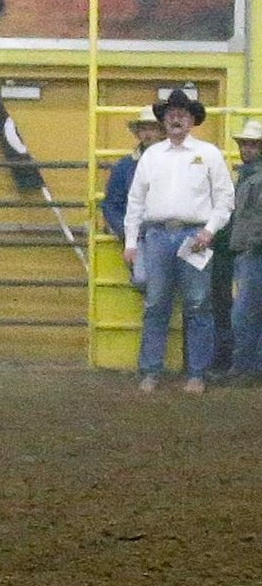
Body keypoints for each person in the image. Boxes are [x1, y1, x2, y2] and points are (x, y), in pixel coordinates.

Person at [122, 89, 236, 393]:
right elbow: (135, 201)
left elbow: (225, 200)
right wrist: (131, 241)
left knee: (197, 305)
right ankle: (152, 370)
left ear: (191, 120)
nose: (176, 117)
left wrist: (208, 231)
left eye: (182, 113)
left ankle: (196, 373)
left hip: (194, 236)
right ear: (164, 119)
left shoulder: (209, 154)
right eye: (171, 113)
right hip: (157, 235)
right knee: (157, 303)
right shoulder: (152, 156)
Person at [226, 120, 262, 380]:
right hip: (248, 251)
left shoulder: (251, 177)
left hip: (252, 252)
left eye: (251, 145)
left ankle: (244, 368)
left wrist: (253, 243)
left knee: (245, 313)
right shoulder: (248, 176)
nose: (246, 149)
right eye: (245, 144)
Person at [100, 107, 166, 242]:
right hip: (142, 235)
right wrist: (127, 232)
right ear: (137, 133)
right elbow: (111, 205)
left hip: (170, 232)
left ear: (163, 132)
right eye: (143, 129)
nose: (148, 134)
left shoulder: (125, 166)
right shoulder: (123, 167)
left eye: (153, 128)